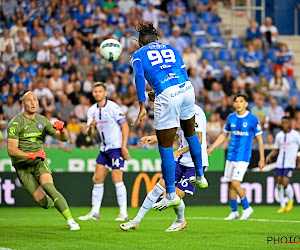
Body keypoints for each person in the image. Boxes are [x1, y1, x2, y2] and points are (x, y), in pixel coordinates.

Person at [131, 22, 207, 211]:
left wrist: (142, 103)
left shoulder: (138, 54)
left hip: (167, 93)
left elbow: (140, 76)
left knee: (165, 148)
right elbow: (182, 71)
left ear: (141, 44)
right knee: (190, 133)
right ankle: (199, 176)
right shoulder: (172, 49)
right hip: (187, 89)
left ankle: (171, 195)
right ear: (156, 39)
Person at [120, 104, 208, 231]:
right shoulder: (178, 110)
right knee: (159, 187)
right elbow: (177, 134)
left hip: (195, 163)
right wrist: (154, 138)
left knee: (174, 195)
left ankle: (179, 220)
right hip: (181, 160)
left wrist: (177, 152)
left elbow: (198, 141)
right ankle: (136, 221)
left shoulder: (196, 113)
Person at [6, 91, 80, 230]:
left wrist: (63, 130)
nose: (33, 103)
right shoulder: (15, 123)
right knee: (45, 204)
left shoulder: (42, 120)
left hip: (39, 162)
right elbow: (11, 150)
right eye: (29, 100)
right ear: (23, 104)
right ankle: (54, 202)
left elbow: (64, 139)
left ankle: (71, 221)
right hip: (23, 167)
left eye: (35, 100)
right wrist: (31, 155)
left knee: (49, 187)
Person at [78, 82, 131, 221]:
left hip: (116, 148)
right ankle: (95, 213)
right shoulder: (91, 110)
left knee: (117, 179)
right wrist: (91, 127)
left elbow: (125, 126)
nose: (97, 94)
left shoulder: (113, 107)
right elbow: (90, 133)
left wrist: (123, 146)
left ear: (105, 93)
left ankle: (124, 213)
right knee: (97, 179)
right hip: (104, 148)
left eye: (100, 91)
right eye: (95, 91)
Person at [207, 94, 265, 220]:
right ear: (233, 104)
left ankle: (247, 208)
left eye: (241, 101)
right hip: (230, 156)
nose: (238, 103)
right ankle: (234, 212)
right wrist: (212, 147)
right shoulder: (231, 117)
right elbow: (223, 135)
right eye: (236, 101)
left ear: (246, 104)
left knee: (235, 182)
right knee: (229, 184)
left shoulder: (253, 119)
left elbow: (260, 140)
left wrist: (262, 159)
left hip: (243, 156)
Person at [266, 116, 300, 213]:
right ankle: (282, 205)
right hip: (280, 163)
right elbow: (276, 149)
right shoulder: (279, 135)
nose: (284, 124)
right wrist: (269, 156)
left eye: (286, 122)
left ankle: (290, 200)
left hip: (290, 163)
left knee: (285, 183)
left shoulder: (296, 135)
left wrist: (298, 160)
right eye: (283, 123)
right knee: (279, 183)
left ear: (289, 123)